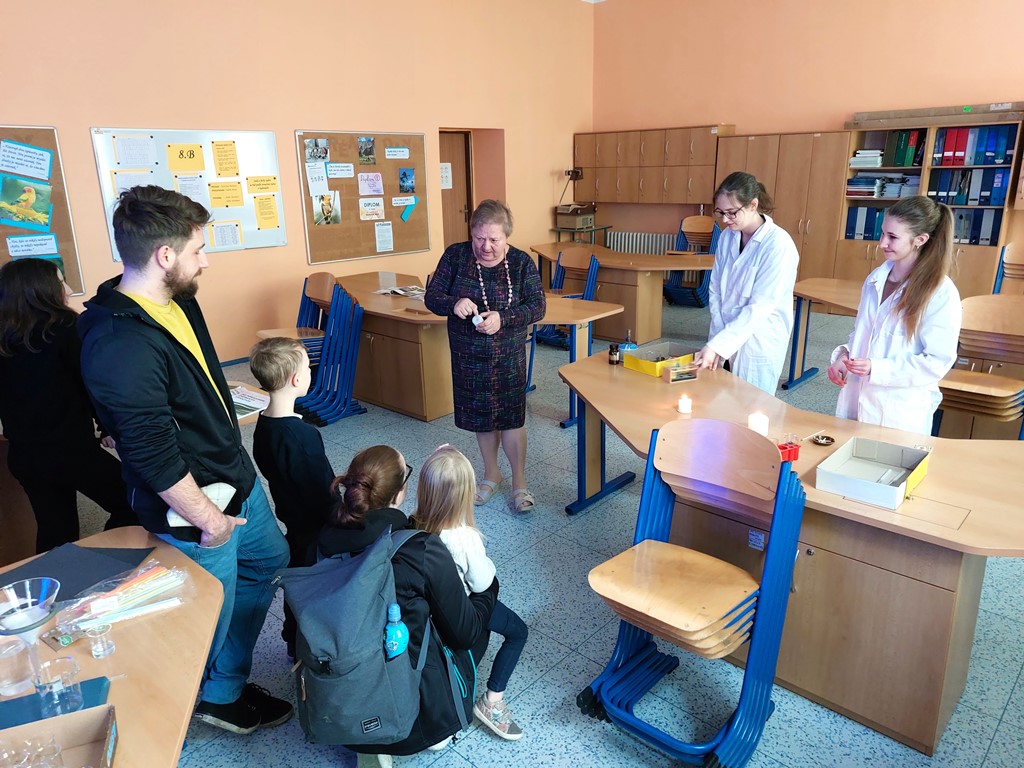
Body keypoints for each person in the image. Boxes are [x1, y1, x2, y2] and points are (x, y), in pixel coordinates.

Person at [77, 185, 292, 735]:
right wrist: (211, 523)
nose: (206, 261)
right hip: (196, 507)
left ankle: (223, 686)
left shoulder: (177, 299)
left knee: (268, 560)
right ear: (165, 255)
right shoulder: (118, 340)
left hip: (233, 477)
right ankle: (201, 695)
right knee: (203, 614)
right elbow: (150, 451)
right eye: (199, 249)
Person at [317, 445, 497, 765]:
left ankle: (368, 739)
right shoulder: (420, 549)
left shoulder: (324, 538)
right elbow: (465, 632)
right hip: (411, 709)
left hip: (343, 686)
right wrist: (488, 591)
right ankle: (431, 725)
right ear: (400, 494)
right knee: (472, 624)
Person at [0, 258, 137, 553]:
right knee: (135, 502)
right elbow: (91, 385)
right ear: (42, 289)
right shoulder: (66, 327)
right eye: (62, 281)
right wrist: (108, 427)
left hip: (24, 456)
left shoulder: (5, 336)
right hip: (71, 452)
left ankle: (56, 579)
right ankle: (107, 561)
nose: (69, 289)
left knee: (55, 530)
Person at [424, 200, 546, 512]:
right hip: (469, 356)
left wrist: (503, 318)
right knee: (483, 419)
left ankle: (519, 482)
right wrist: (453, 303)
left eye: (494, 239)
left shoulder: (521, 263)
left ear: (507, 236)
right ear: (472, 233)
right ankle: (492, 474)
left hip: (508, 357)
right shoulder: (456, 255)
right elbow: (432, 296)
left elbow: (538, 306)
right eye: (479, 238)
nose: (486, 246)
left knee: (512, 419)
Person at [414, 445, 527, 741]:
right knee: (518, 632)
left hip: (431, 611)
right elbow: (482, 583)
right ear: (465, 495)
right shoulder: (464, 537)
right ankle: (492, 701)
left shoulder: (415, 524)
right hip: (464, 608)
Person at [828, 196, 961, 435]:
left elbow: (936, 361)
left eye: (893, 237)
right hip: (858, 396)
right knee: (849, 450)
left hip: (899, 410)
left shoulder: (941, 292)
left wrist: (876, 369)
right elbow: (864, 332)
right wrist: (846, 356)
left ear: (920, 240)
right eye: (882, 234)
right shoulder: (876, 278)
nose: (882, 243)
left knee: (887, 456)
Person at [248, 336, 335, 657]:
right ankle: (309, 645)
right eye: (308, 368)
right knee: (313, 587)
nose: (311, 372)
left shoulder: (263, 426)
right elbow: (323, 492)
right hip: (316, 530)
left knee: (297, 584)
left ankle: (292, 639)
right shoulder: (303, 436)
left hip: (293, 521)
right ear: (297, 380)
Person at [694, 172, 799, 393]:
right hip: (724, 331)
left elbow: (760, 307)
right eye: (720, 212)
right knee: (719, 398)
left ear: (753, 205)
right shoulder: (728, 236)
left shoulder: (778, 244)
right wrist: (718, 338)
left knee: (752, 403)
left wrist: (719, 345)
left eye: (732, 212)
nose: (725, 219)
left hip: (758, 340)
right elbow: (715, 289)